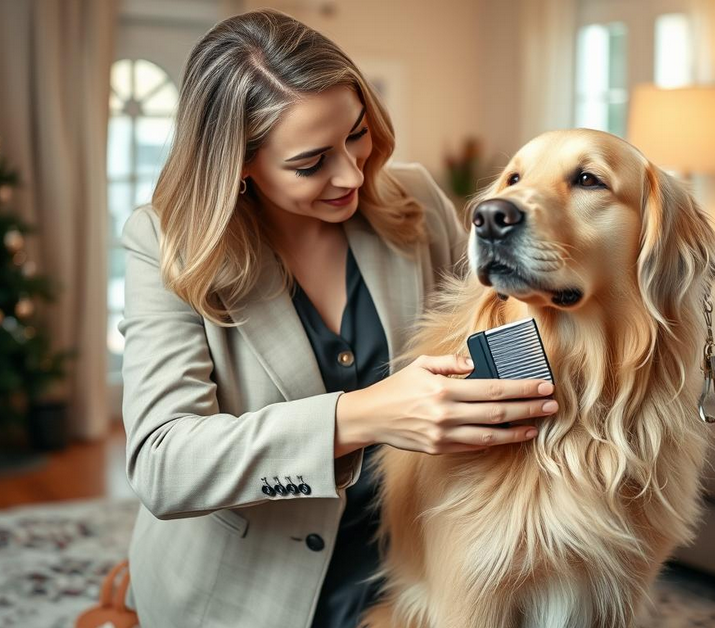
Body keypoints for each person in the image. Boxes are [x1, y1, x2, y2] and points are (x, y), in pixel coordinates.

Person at [117, 9, 558, 628]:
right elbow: (163, 464)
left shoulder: (416, 202)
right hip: (245, 589)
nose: (352, 172)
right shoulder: (166, 243)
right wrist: (365, 415)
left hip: (408, 564)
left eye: (356, 133)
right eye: (310, 162)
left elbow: (497, 333)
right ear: (238, 165)